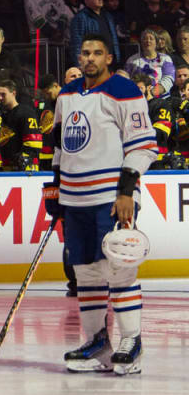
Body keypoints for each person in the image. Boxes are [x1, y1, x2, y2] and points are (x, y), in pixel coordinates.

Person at [47, 35, 156, 374]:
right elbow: (61, 146)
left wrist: (126, 191)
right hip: (75, 197)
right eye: (85, 53)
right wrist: (56, 188)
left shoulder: (125, 92)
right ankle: (97, 342)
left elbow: (143, 145)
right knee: (86, 272)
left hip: (111, 198)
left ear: (109, 58)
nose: (90, 59)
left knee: (119, 266)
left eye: (97, 53)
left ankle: (131, 342)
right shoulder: (66, 95)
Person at [0, 79, 42, 172]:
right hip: (7, 166)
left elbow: (34, 140)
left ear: (13, 93)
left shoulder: (26, 112)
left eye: (3, 94)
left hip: (26, 167)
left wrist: (25, 158)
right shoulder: (1, 113)